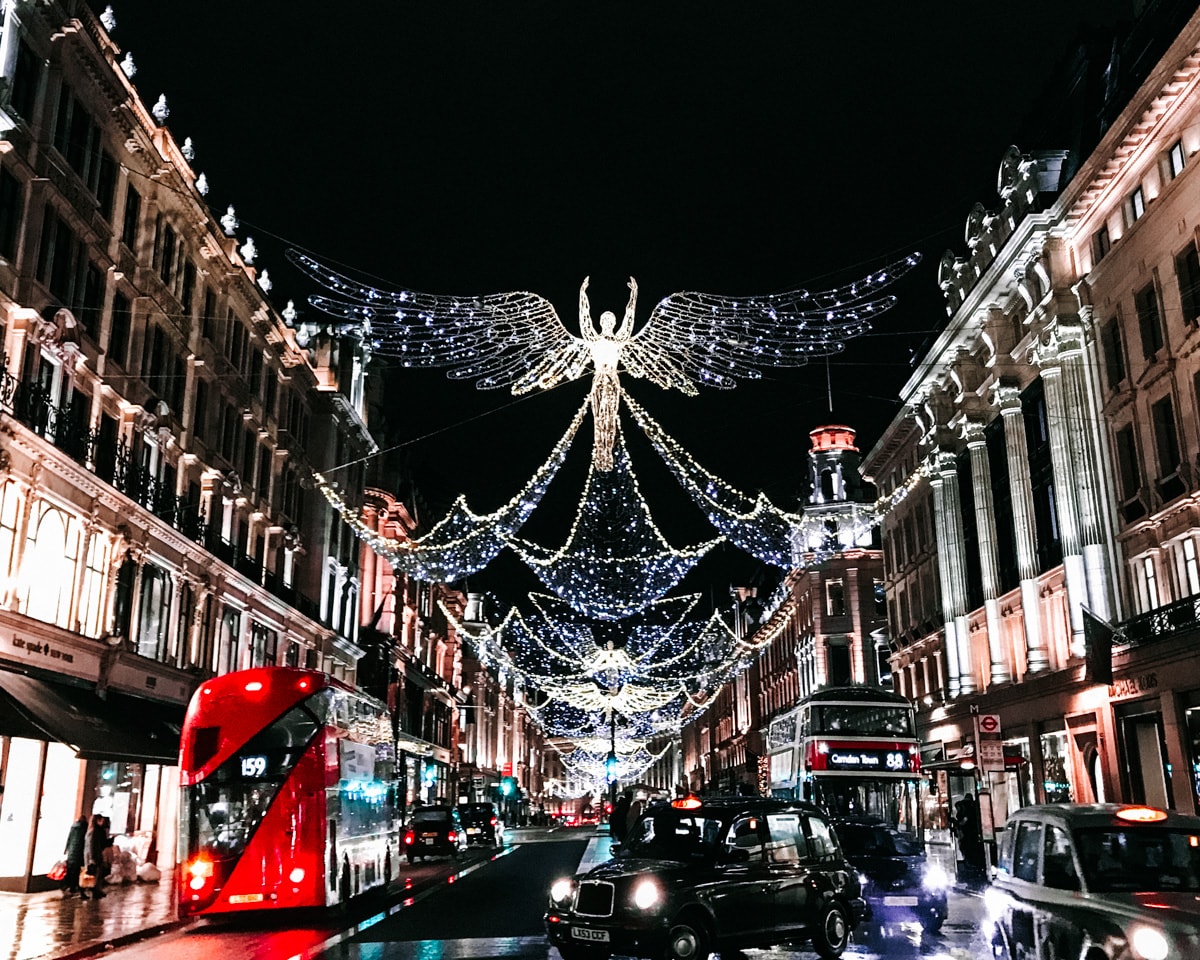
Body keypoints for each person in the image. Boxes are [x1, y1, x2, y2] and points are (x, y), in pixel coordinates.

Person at [82, 813, 109, 899]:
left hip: (93, 856)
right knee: (94, 874)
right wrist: (92, 859)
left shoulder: (93, 830)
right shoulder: (94, 831)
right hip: (93, 856)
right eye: (101, 820)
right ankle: (93, 892)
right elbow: (92, 846)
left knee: (96, 874)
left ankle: (95, 891)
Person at [62, 816, 87, 897]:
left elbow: (69, 839)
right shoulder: (85, 828)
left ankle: (69, 886)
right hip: (79, 853)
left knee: (71, 869)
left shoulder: (73, 827)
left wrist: (66, 849)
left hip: (72, 852)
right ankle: (77, 887)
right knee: (78, 871)